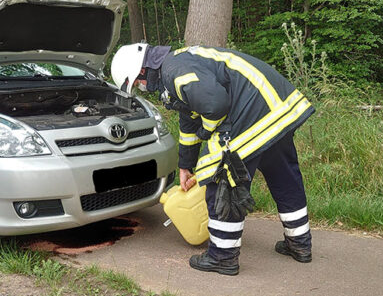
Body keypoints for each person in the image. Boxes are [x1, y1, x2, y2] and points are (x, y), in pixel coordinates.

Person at [110, 43, 315, 276]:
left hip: (250, 115)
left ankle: (222, 256)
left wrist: (206, 132)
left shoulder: (174, 70)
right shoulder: (180, 63)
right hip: (277, 110)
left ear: (143, 70)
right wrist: (185, 166)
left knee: (222, 180)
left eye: (138, 83)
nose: (142, 88)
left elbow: (215, 105)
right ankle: (299, 243)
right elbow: (189, 121)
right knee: (284, 176)